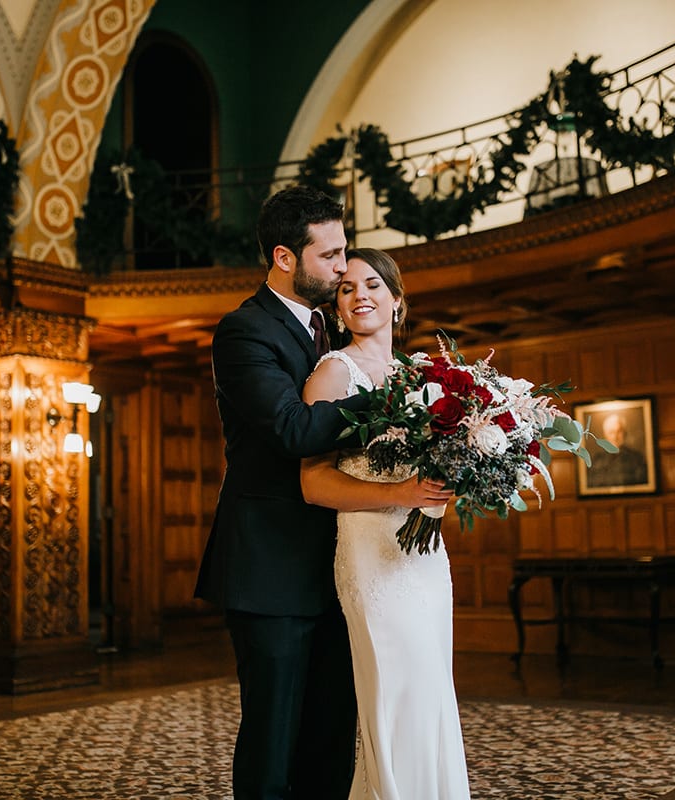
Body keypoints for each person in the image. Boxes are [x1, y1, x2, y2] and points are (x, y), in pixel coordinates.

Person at [195, 186, 439, 799]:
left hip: (343, 564)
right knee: (274, 740)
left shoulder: (328, 334)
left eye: (345, 253)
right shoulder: (244, 332)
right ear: (284, 257)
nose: (341, 269)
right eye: (330, 256)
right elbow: (292, 430)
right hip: (271, 569)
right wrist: (394, 397)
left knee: (333, 734)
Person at [300, 247, 470, 800]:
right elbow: (312, 483)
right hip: (371, 555)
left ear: (397, 301)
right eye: (346, 289)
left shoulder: (424, 378)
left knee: (430, 689)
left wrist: (450, 485)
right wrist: (397, 492)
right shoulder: (332, 373)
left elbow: (442, 464)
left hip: (422, 560)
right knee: (391, 691)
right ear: (338, 309)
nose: (359, 295)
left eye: (372, 285)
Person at [586, 411, 648, 487]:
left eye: (619, 432)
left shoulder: (637, 459)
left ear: (624, 433)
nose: (615, 437)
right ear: (605, 435)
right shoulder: (596, 460)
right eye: (611, 432)